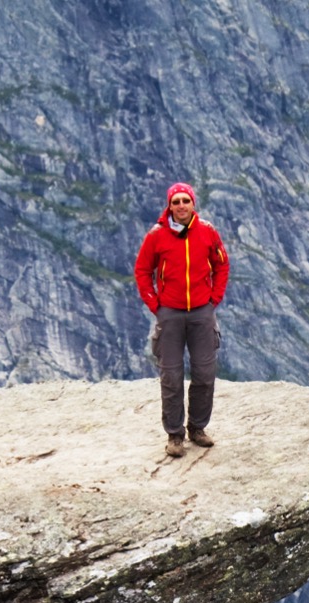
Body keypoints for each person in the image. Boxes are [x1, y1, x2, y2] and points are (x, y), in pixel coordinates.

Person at [133, 181, 230, 458]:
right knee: (171, 376)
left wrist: (214, 298)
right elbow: (142, 271)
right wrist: (155, 304)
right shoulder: (157, 236)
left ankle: (197, 428)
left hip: (201, 312)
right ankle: (174, 435)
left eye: (185, 201)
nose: (181, 206)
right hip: (171, 314)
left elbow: (222, 264)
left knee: (204, 373)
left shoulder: (207, 232)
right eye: (176, 202)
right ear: (169, 206)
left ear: (193, 203)